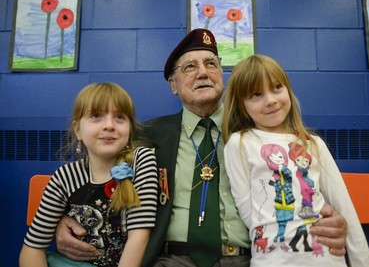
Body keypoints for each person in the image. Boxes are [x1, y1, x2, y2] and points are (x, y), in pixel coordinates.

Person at [54, 29, 348, 267]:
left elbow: (300, 179)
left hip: (250, 258)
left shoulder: (256, 134)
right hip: (170, 259)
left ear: (222, 75)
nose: (203, 73)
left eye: (211, 64)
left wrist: (329, 216)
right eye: (190, 67)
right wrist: (64, 219)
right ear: (173, 84)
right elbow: (96, 172)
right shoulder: (147, 135)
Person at [222, 54, 369, 266]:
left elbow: (345, 208)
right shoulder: (240, 143)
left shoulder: (313, 144)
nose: (271, 100)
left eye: (276, 87)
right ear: (242, 105)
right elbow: (249, 214)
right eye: (256, 94)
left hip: (326, 259)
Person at [19, 83, 158, 267]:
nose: (109, 125)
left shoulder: (142, 160)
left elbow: (139, 236)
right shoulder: (65, 176)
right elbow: (33, 248)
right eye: (96, 116)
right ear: (78, 130)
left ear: (130, 128)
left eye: (119, 117)